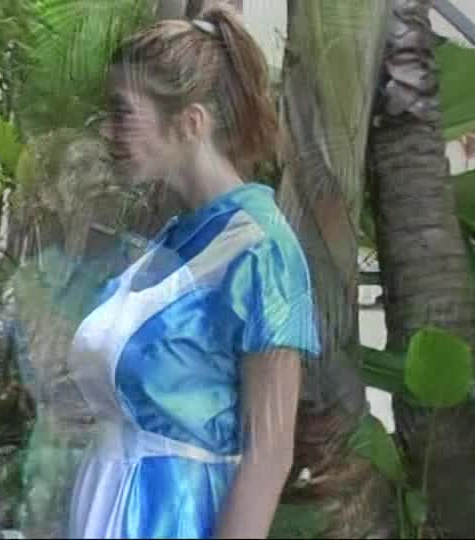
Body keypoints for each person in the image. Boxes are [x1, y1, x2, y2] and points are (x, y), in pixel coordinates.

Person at [66, 5, 321, 539]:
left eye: (122, 113)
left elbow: (270, 453)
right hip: (108, 505)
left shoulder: (262, 251)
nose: (108, 130)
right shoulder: (175, 237)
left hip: (171, 518)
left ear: (190, 123)